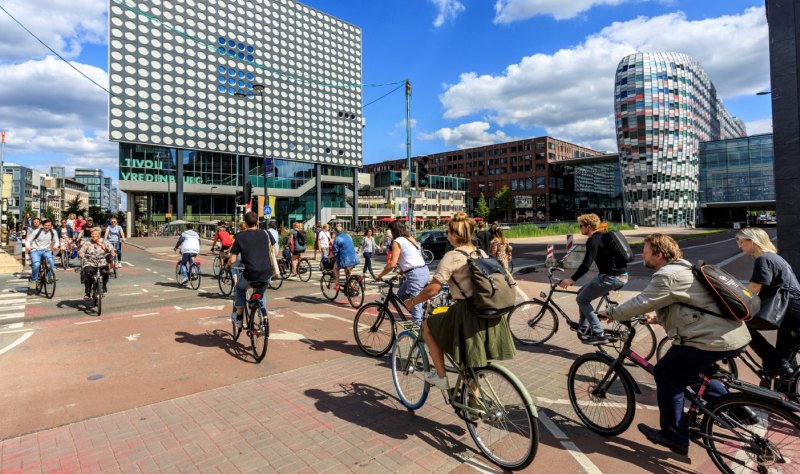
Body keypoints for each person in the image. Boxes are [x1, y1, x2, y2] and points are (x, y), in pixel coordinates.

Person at [603, 233, 751, 456]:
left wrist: (612, 313)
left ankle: (673, 435)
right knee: (693, 374)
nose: (641, 256)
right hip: (732, 335)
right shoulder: (687, 269)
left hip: (710, 339)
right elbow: (687, 303)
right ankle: (736, 408)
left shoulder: (667, 275)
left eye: (645, 252)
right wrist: (657, 318)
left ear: (659, 255)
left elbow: (642, 301)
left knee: (666, 373)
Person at [403, 212, 515, 389]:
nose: (447, 235)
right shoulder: (480, 252)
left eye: (448, 232)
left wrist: (412, 302)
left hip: (466, 312)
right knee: (472, 363)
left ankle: (440, 376)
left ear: (453, 235)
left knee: (428, 325)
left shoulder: (452, 256)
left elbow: (433, 289)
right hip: (488, 309)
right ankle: (473, 400)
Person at [736, 227, 800, 375]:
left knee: (742, 325)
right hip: (793, 311)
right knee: (785, 361)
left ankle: (772, 362)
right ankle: (788, 393)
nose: (740, 246)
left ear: (752, 241)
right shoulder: (774, 257)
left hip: (790, 311)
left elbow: (753, 289)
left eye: (741, 242)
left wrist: (736, 304)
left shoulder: (763, 259)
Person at [558, 213, 628, 345]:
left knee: (581, 300)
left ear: (588, 227)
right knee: (582, 293)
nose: (580, 228)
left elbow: (586, 265)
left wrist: (571, 279)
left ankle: (599, 333)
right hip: (618, 276)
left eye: (581, 226)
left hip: (611, 277)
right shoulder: (603, 237)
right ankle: (584, 328)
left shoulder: (593, 240)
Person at [226, 212, 275, 331]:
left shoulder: (240, 236)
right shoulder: (266, 233)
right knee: (260, 293)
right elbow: (274, 251)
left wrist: (227, 266)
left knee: (240, 288)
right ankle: (263, 320)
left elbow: (232, 259)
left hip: (251, 273)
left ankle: (238, 317)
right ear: (257, 222)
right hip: (267, 272)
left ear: (245, 223)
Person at [375, 220, 429, 326]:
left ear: (394, 230)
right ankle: (419, 307)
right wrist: (400, 272)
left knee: (416, 307)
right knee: (401, 293)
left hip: (415, 274)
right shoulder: (410, 238)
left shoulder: (397, 241)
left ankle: (418, 336)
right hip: (423, 270)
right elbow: (410, 257)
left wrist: (380, 276)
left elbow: (392, 264)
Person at [78, 228, 115, 298]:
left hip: (102, 261)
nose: (94, 235)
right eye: (92, 234)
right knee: (88, 273)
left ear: (99, 235)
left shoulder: (104, 241)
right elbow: (81, 251)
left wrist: (112, 252)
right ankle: (88, 292)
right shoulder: (87, 242)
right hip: (90, 261)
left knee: (105, 272)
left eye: (95, 234)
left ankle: (103, 286)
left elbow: (111, 248)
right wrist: (81, 254)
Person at [26, 218, 59, 291]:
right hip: (35, 251)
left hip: (46, 251)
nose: (47, 227)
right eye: (46, 225)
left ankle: (50, 277)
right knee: (36, 265)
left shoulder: (53, 232)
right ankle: (33, 282)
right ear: (43, 225)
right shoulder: (36, 231)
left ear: (51, 225)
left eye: (49, 225)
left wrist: (56, 246)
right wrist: (28, 247)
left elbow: (57, 241)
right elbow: (28, 241)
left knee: (50, 261)